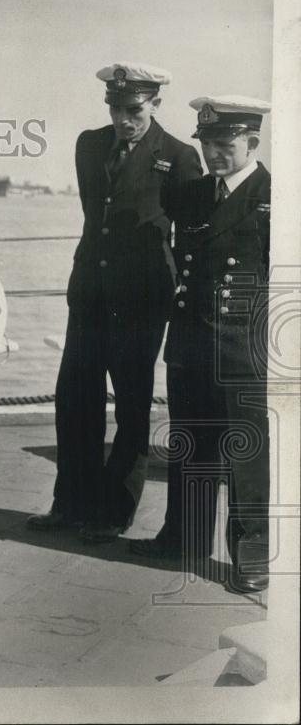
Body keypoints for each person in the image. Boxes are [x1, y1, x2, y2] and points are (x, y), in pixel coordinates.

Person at [27, 62, 202, 543]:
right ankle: (71, 504)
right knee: (74, 400)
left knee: (131, 405)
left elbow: (189, 232)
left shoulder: (180, 156)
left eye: (134, 110)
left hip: (142, 300)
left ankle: (114, 511)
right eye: (115, 108)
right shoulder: (89, 144)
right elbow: (96, 215)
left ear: (155, 105)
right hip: (89, 294)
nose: (123, 119)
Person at [130, 96, 272, 594]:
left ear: (251, 143)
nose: (214, 153)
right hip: (189, 339)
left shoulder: (273, 195)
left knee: (245, 455)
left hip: (241, 347)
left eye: (225, 144)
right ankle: (184, 539)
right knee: (190, 444)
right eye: (208, 143)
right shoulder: (190, 195)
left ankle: (251, 555)